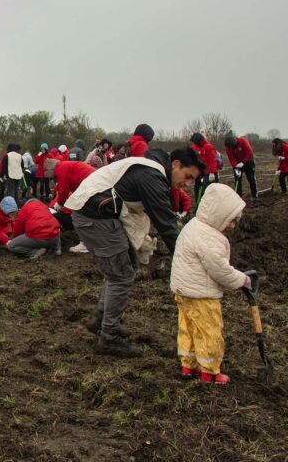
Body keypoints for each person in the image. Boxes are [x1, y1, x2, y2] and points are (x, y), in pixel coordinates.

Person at [65, 147, 206, 358]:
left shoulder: (151, 170)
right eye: (188, 177)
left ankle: (100, 319)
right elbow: (167, 225)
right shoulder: (152, 176)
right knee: (120, 275)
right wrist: (188, 258)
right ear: (175, 165)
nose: (187, 184)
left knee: (127, 265)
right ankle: (109, 337)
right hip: (94, 216)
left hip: (95, 212)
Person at [170, 183, 252, 384]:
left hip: (183, 291)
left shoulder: (193, 226)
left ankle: (188, 365)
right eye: (230, 221)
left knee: (188, 327)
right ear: (219, 214)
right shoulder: (209, 237)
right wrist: (242, 279)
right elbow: (220, 271)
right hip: (201, 295)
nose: (232, 227)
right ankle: (210, 371)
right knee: (209, 331)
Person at [49, 160, 96, 253]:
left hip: (90, 187)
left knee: (80, 215)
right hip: (92, 184)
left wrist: (59, 204)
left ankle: (85, 244)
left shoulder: (60, 169)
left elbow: (64, 190)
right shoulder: (67, 166)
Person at [190, 132, 220, 200]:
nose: (194, 143)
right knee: (197, 188)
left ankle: (209, 203)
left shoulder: (209, 147)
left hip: (209, 173)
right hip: (200, 172)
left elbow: (213, 160)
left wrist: (212, 172)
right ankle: (198, 202)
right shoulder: (194, 147)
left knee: (207, 189)